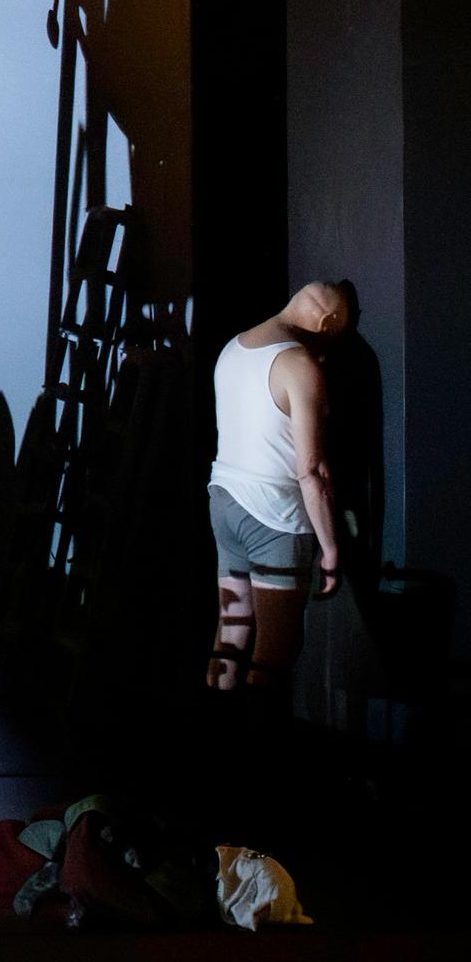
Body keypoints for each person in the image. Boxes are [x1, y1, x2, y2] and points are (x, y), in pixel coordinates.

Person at [203, 280, 352, 695]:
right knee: (276, 654)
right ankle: (263, 751)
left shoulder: (233, 348)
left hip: (225, 504)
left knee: (230, 635)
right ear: (329, 321)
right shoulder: (298, 365)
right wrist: (331, 548)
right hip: (275, 520)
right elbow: (311, 470)